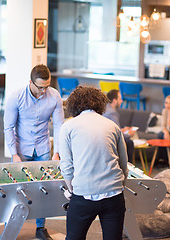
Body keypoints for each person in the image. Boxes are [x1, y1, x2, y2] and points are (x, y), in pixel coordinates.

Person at [59, 86, 128, 240]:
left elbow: (67, 167)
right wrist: (118, 186)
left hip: (83, 195)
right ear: (100, 104)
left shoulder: (68, 127)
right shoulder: (113, 125)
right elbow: (124, 164)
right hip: (114, 195)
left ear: (73, 105)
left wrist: (72, 190)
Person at [4, 64, 64, 240]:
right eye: (40, 87)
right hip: (22, 148)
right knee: (18, 189)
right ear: (30, 82)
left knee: (43, 189)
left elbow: (59, 126)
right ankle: (10, 227)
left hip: (43, 148)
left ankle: (40, 228)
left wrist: (57, 152)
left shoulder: (54, 96)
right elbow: (8, 127)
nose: (44, 91)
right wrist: (14, 154)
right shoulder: (16, 97)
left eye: (47, 86)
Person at [103, 89, 136, 163]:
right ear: (114, 101)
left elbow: (112, 129)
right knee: (129, 142)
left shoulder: (105, 109)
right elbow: (117, 135)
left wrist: (123, 130)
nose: (122, 101)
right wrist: (128, 134)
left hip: (104, 139)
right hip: (110, 141)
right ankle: (128, 168)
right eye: (120, 99)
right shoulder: (113, 113)